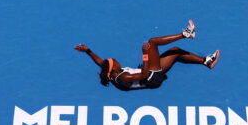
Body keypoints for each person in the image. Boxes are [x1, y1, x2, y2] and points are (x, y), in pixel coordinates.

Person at [74, 20, 219, 90]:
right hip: (152, 77)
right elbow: (143, 75)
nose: (118, 61)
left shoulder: (110, 70)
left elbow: (100, 62)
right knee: (152, 42)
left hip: (149, 73)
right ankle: (186, 34)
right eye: (115, 61)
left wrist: (88, 50)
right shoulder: (123, 77)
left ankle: (207, 61)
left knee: (176, 51)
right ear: (114, 68)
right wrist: (145, 55)